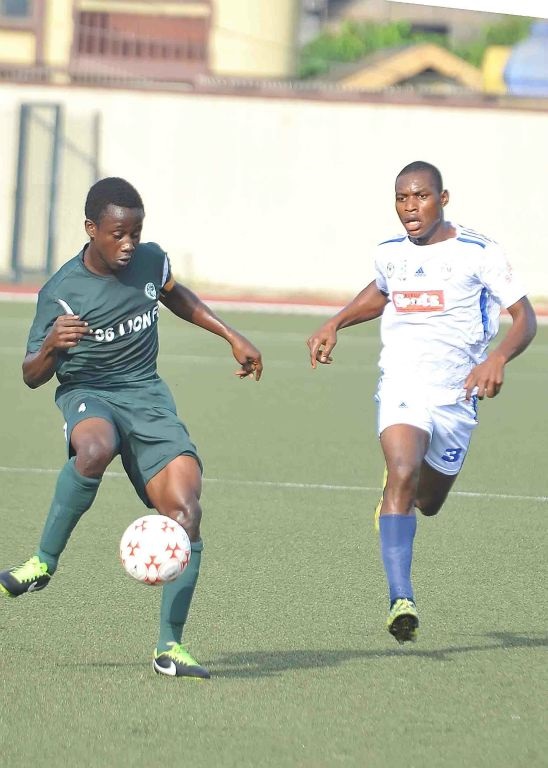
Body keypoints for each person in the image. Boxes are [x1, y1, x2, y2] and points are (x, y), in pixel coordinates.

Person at [0, 177, 263, 678]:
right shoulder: (61, 291)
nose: (128, 245)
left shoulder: (149, 259)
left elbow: (174, 294)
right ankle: (42, 563)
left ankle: (169, 646)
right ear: (91, 228)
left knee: (187, 512)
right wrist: (54, 346)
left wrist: (231, 334)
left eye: (136, 233)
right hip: (89, 393)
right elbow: (31, 376)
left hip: (147, 395)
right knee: (95, 448)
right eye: (118, 234)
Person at [307, 160, 537, 644]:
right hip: (403, 383)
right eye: (401, 199)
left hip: (457, 395)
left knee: (427, 501)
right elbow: (383, 291)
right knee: (403, 473)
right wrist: (336, 322)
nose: (410, 208)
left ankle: (401, 502)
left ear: (443, 198)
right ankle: (401, 599)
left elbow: (525, 318)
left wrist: (497, 359)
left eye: (420, 197)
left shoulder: (478, 252)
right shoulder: (389, 252)